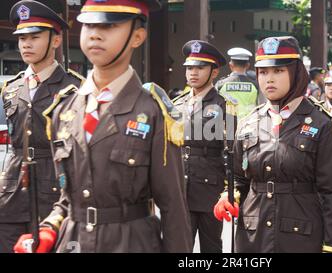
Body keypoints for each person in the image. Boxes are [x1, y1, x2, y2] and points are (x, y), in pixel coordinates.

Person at [14, 0, 192, 253]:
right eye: (88, 25)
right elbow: (67, 198)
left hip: (131, 242)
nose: (95, 34)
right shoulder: (64, 109)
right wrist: (49, 228)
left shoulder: (153, 112)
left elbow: (173, 208)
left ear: (137, 36)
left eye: (109, 25)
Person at [213, 36, 332, 253]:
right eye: (263, 72)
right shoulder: (249, 123)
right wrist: (230, 195)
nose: (269, 79)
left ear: (295, 73)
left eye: (278, 71)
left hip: (301, 236)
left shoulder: (321, 123)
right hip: (252, 236)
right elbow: (238, 177)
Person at [0, 0, 83, 253]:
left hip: (54, 189)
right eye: (22, 38)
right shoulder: (11, 88)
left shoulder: (74, 89)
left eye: (34, 37)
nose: (26, 44)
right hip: (13, 188)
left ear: (56, 41)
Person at [173, 40, 237, 253]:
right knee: (179, 246)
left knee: (211, 247)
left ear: (214, 72)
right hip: (180, 187)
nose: (193, 72)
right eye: (189, 68)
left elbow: (231, 151)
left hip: (211, 187)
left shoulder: (224, 105)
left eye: (200, 68)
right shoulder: (177, 104)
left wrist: (229, 190)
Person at [215, 47, 261, 120]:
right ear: (247, 65)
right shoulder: (256, 85)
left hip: (228, 125)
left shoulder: (220, 84)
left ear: (231, 65)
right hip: (249, 125)